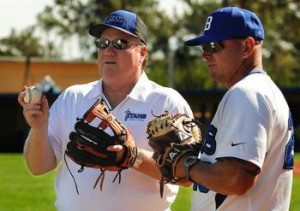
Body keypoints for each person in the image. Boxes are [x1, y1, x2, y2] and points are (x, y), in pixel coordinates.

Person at [18, 10, 194, 211]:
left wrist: (134, 157)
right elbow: (38, 167)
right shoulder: (73, 97)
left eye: (120, 44)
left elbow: (188, 176)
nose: (109, 51)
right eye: (103, 44)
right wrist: (39, 128)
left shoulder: (166, 102)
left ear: (142, 53)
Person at [172, 6, 295, 210]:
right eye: (204, 48)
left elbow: (236, 179)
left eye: (213, 46)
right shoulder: (260, 91)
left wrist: (186, 165)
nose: (205, 55)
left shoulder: (247, 93)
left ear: (247, 46)